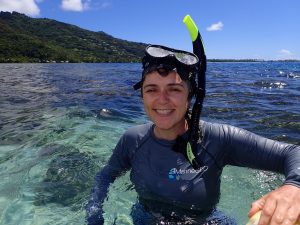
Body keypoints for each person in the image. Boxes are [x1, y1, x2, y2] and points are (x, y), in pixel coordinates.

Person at [86, 43, 300, 225]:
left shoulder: (220, 138)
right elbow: (106, 175)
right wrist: (95, 214)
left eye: (174, 89)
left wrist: (294, 186)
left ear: (190, 96)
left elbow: (293, 152)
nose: (162, 100)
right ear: (142, 95)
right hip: (145, 218)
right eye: (151, 89)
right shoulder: (132, 139)